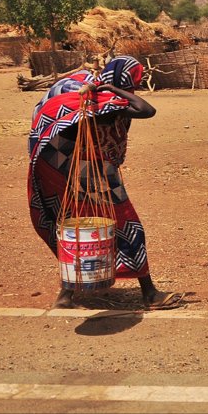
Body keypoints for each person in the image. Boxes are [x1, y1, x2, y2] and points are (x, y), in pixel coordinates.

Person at [28, 55, 184, 310]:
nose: (136, 86)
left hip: (73, 170)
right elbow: (147, 110)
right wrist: (112, 89)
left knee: (83, 229)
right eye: (133, 80)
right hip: (89, 173)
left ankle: (65, 296)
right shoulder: (104, 103)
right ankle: (150, 294)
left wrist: (109, 88)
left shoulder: (96, 99)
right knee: (128, 225)